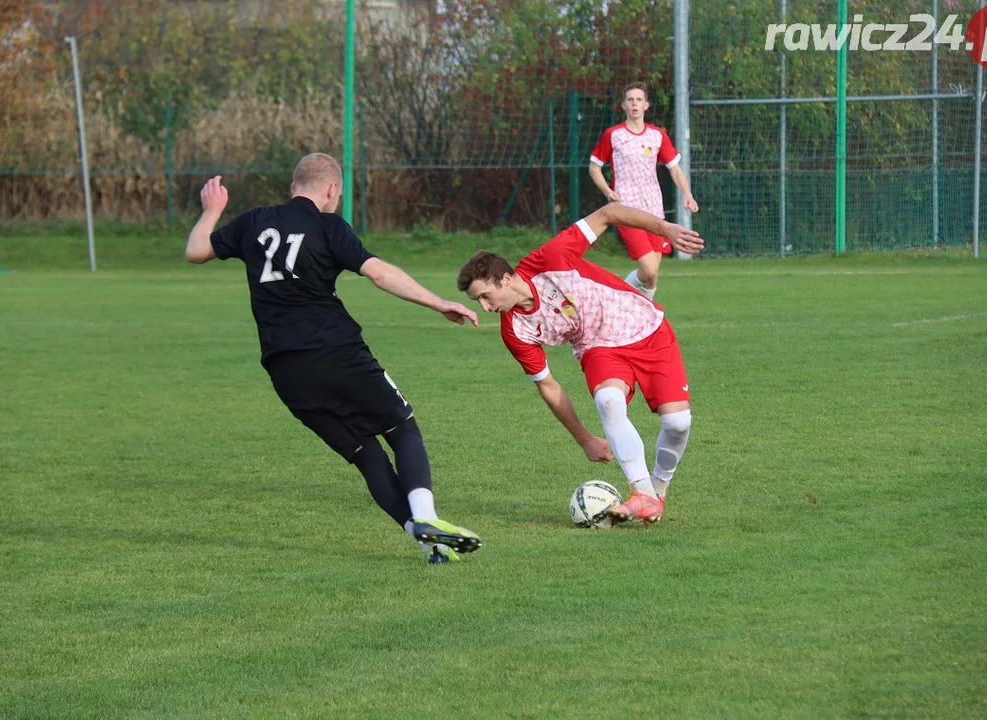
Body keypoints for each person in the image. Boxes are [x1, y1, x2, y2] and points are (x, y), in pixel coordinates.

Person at [184, 153, 482, 564]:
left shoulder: (253, 222)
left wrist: (212, 211)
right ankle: (427, 517)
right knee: (402, 428)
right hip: (337, 352)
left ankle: (427, 542)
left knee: (367, 456)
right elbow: (379, 273)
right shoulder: (328, 226)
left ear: (293, 188)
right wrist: (437, 303)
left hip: (285, 371)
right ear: (331, 190)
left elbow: (197, 250)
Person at [457, 203, 704, 525]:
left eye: (486, 296)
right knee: (608, 400)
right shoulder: (515, 330)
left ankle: (657, 490)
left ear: (506, 279)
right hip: (598, 348)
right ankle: (641, 492)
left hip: (647, 329)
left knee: (678, 424)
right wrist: (584, 438)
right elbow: (548, 385)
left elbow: (609, 212)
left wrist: (665, 229)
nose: (486, 307)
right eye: (478, 302)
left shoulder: (550, 259)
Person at [588, 82, 699, 301]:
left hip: (654, 211)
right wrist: (608, 191)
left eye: (639, 99)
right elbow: (594, 168)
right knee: (648, 269)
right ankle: (616, 299)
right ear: (624, 105)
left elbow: (674, 169)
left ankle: (636, 312)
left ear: (646, 105)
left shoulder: (657, 136)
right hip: (627, 210)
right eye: (630, 100)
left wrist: (688, 194)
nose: (635, 104)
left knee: (652, 275)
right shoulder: (614, 135)